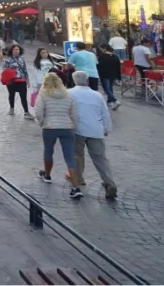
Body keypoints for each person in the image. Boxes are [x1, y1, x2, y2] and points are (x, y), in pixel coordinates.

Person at [34, 73, 83, 199]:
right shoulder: (67, 94)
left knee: (48, 151)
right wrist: (73, 125)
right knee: (69, 157)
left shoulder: (44, 93)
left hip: (50, 127)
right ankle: (76, 187)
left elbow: (38, 112)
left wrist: (42, 123)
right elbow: (74, 113)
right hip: (67, 127)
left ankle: (48, 175)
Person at [70, 71, 117, 199]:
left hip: (77, 129)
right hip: (96, 130)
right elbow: (105, 113)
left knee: (76, 155)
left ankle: (78, 180)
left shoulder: (70, 93)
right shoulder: (97, 95)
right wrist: (106, 128)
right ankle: (109, 182)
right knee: (100, 158)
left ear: (74, 80)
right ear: (87, 81)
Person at [2, 44, 34, 119]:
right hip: (12, 81)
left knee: (23, 97)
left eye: (17, 49)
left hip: (21, 80)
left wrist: (27, 80)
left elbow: (25, 70)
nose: (16, 51)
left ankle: (26, 112)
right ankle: (12, 108)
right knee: (11, 95)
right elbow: (4, 69)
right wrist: (11, 71)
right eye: (14, 49)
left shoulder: (22, 59)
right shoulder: (8, 60)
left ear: (20, 51)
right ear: (11, 51)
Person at [96, 44, 122, 110]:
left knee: (106, 88)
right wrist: (119, 77)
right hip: (113, 75)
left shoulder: (102, 56)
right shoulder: (115, 57)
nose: (101, 50)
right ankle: (109, 101)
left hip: (104, 75)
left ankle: (115, 100)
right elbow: (118, 67)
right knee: (110, 88)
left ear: (104, 48)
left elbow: (99, 66)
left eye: (101, 49)